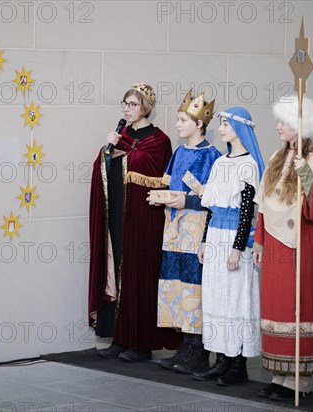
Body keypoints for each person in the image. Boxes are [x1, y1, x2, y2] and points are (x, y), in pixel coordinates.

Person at [253, 95, 313, 401]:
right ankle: (279, 374)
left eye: (284, 122)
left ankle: (299, 382)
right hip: (275, 246)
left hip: (300, 247)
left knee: (297, 309)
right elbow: (264, 206)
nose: (279, 127)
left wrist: (305, 173)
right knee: (276, 308)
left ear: (300, 126)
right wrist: (259, 241)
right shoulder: (275, 159)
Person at [89, 82, 181, 362]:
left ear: (146, 108)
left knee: (139, 275)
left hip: (143, 219)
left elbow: (155, 176)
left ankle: (140, 343)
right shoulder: (121, 135)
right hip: (118, 214)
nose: (128, 110)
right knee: (118, 273)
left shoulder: (159, 140)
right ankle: (120, 336)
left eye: (133, 105)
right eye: (125, 104)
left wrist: (125, 152)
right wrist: (108, 152)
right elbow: (101, 168)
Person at [151, 91, 221, 374]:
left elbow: (215, 199)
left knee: (195, 286)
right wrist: (162, 197)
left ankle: (199, 350)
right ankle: (184, 346)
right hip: (174, 228)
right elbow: (171, 186)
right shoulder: (179, 152)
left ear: (199, 124)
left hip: (196, 228)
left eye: (182, 120)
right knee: (176, 284)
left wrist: (187, 201)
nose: (177, 124)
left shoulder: (212, 156)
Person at [196, 107, 265, 386]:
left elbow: (247, 209)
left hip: (235, 238)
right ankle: (221, 360)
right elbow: (212, 208)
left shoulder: (248, 164)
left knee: (237, 299)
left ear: (240, 128)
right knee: (217, 297)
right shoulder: (220, 163)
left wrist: (238, 248)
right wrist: (203, 241)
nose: (221, 128)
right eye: (221, 124)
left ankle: (238, 365)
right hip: (215, 237)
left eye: (225, 124)